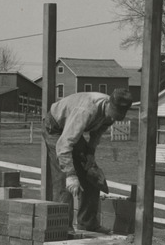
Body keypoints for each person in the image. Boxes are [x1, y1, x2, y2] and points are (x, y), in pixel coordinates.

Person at [43, 88, 133, 232]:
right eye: (113, 114)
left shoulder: (110, 114)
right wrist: (71, 175)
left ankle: (88, 224)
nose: (113, 119)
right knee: (63, 181)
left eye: (117, 116)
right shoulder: (86, 110)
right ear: (108, 104)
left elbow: (97, 132)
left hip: (72, 131)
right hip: (55, 128)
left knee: (92, 175)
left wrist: (90, 153)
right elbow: (64, 144)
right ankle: (63, 228)